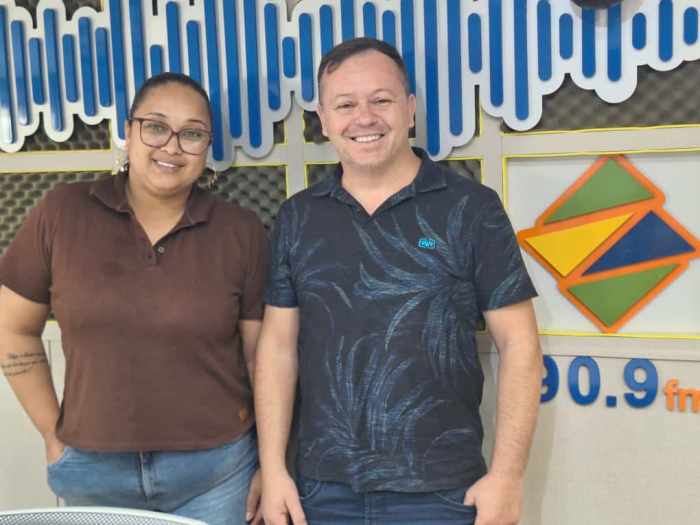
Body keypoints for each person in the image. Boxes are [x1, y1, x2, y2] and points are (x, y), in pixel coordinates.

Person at [255, 37, 542, 525]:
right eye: (345, 105)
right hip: (321, 492)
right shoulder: (298, 217)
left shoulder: (471, 208)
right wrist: (273, 468)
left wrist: (508, 476)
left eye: (381, 100)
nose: (364, 118)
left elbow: (519, 345)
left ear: (409, 109)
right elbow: (278, 347)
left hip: (444, 492)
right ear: (323, 119)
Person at [0, 72, 268, 525]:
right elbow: (13, 328)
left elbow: (262, 355)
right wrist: (51, 433)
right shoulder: (62, 213)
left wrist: (270, 463)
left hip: (217, 474)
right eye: (156, 127)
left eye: (192, 134)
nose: (172, 147)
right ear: (128, 131)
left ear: (207, 147)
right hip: (93, 474)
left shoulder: (241, 231)